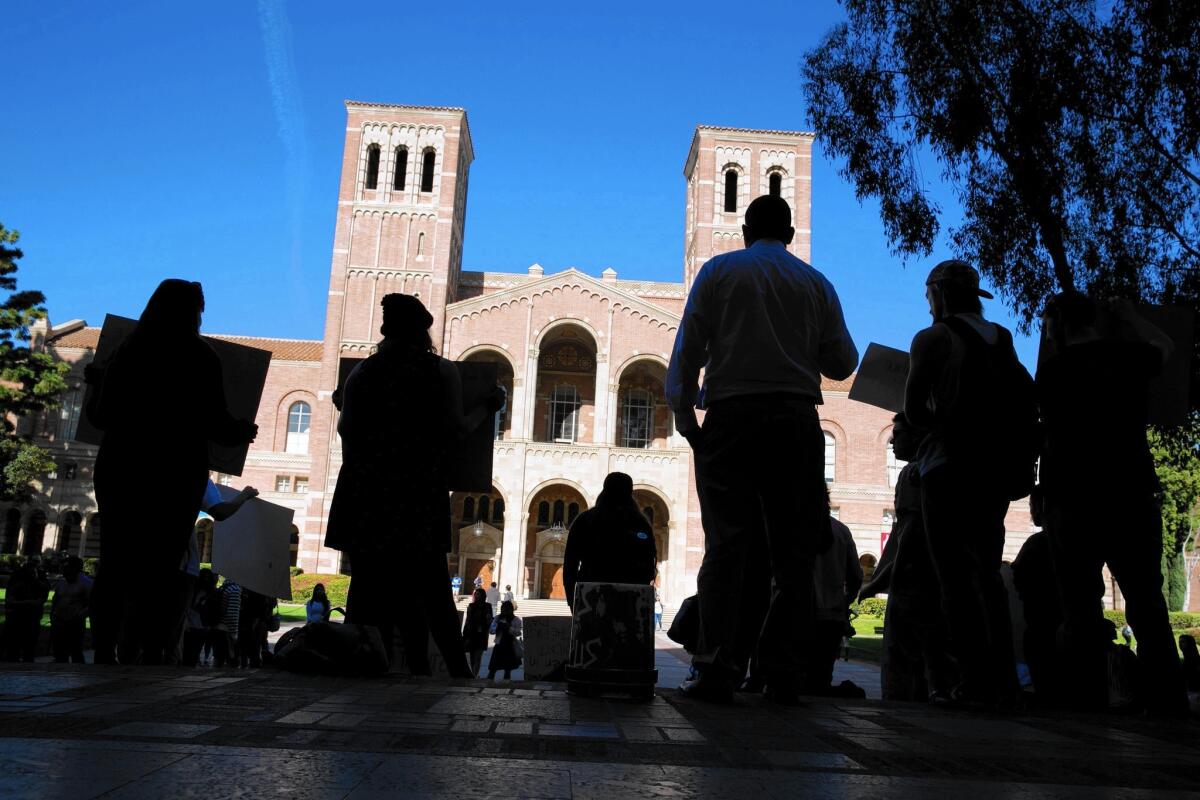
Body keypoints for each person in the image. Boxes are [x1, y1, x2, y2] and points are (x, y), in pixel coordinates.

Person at [665, 194, 858, 704]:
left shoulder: (719, 272)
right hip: (795, 422)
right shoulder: (816, 285)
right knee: (792, 554)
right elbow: (842, 362)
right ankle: (781, 672)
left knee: (728, 545)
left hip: (730, 417)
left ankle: (717, 667)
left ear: (746, 230)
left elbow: (687, 350)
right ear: (791, 235)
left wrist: (687, 418)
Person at [325, 293, 501, 678]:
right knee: (432, 585)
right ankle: (454, 670)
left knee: (367, 583)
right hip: (417, 489)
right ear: (424, 332)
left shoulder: (362, 373)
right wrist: (487, 407)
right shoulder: (438, 370)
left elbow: (347, 430)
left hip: (367, 491)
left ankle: (363, 666)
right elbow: (456, 431)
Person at [85, 279, 257, 665]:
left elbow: (99, 416)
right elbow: (217, 423)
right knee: (162, 562)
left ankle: (103, 646)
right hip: (175, 470)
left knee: (114, 557)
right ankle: (147, 647)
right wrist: (242, 430)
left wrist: (96, 385)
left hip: (122, 464)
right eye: (198, 309)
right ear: (191, 311)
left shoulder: (124, 353)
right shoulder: (199, 356)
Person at [1037, 291, 1187, 716]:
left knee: (1079, 603)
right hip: (1130, 494)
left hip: (1073, 497)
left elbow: (1049, 434)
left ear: (1060, 324)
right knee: (1146, 598)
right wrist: (1131, 317)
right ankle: (1168, 700)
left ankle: (1085, 700)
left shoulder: (1053, 372)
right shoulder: (1129, 359)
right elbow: (1166, 347)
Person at [904, 259, 1034, 709]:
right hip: (993, 472)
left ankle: (972, 682)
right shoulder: (1003, 338)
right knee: (987, 572)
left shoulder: (933, 338)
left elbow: (916, 410)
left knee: (953, 578)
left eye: (929, 297)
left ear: (938, 295)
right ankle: (1004, 682)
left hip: (947, 466)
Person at [864, 414, 957, 703]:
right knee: (931, 652)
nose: (893, 443)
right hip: (934, 576)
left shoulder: (913, 475)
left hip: (912, 578)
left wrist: (878, 581)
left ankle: (899, 709)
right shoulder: (937, 470)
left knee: (901, 655)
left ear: (918, 437)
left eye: (899, 434)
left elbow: (910, 533)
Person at [168, 481, 258, 665]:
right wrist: (244, 495)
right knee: (170, 633)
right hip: (179, 568)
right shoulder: (197, 477)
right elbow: (220, 511)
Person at [562, 472, 657, 608]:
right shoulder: (641, 523)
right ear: (630, 492)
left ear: (605, 489)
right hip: (630, 600)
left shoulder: (585, 520)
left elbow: (569, 567)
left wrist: (573, 603)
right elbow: (649, 566)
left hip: (591, 599)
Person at [804, 513, 863, 695]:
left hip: (798, 614)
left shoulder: (791, 523)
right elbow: (856, 576)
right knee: (821, 680)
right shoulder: (841, 530)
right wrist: (845, 602)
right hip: (832, 616)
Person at [2, 562, 49, 662]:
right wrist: (29, 602)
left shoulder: (39, 585)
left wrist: (19, 603)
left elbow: (38, 602)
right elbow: (10, 601)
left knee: (26, 651)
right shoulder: (18, 585)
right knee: (16, 650)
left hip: (28, 620)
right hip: (19, 620)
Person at [50, 556, 92, 663]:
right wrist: (53, 616)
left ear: (75, 568)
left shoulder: (86, 583)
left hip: (75, 623)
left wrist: (80, 615)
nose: (64, 569)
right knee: (59, 652)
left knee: (76, 651)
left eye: (67, 566)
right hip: (60, 622)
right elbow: (55, 600)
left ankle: (76, 674)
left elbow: (92, 604)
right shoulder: (62, 583)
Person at [462, 587, 494, 677]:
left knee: (478, 655)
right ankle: (473, 673)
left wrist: (489, 619)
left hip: (482, 633)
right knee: (472, 655)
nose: (476, 595)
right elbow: (468, 620)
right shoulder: (471, 606)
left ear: (483, 595)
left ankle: (476, 674)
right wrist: (465, 632)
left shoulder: (488, 606)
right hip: (472, 633)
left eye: (478, 594)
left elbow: (490, 618)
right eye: (475, 594)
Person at [487, 600, 523, 680]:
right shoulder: (497, 618)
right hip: (499, 646)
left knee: (508, 670)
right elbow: (491, 631)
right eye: (503, 608)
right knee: (492, 669)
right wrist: (497, 627)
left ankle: (506, 685)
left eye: (507, 609)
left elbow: (518, 633)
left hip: (510, 646)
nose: (504, 610)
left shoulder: (516, 620)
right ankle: (488, 684)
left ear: (511, 610)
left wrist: (508, 627)